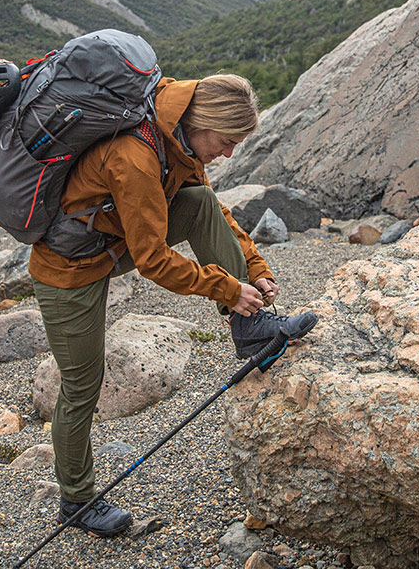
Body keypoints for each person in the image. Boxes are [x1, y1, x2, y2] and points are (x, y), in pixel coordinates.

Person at [28, 73, 319, 537]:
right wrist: (226, 288)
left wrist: (254, 268)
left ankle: (249, 327)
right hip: (69, 268)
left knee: (199, 200)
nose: (228, 154)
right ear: (202, 123)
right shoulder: (136, 156)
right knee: (82, 386)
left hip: (111, 240)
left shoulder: (180, 140)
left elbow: (214, 209)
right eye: (226, 142)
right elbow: (153, 261)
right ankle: (77, 502)